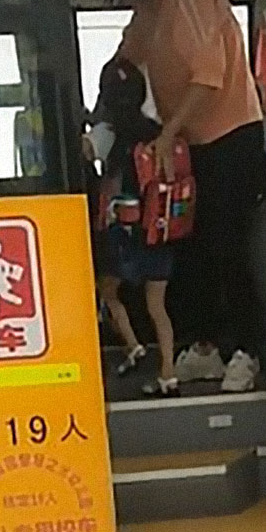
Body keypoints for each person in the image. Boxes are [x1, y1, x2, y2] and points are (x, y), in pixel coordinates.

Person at [80, 0, 265, 393]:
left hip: (230, 135)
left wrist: (168, 134)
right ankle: (203, 349)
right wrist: (97, 116)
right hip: (193, 144)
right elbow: (123, 63)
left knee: (227, 243)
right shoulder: (150, 9)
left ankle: (248, 351)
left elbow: (210, 73)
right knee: (189, 244)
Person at [84, 57, 178, 397]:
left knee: (107, 291)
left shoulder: (108, 133)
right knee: (157, 305)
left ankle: (134, 346)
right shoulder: (156, 129)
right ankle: (168, 373)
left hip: (125, 235)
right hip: (161, 229)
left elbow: (83, 153)